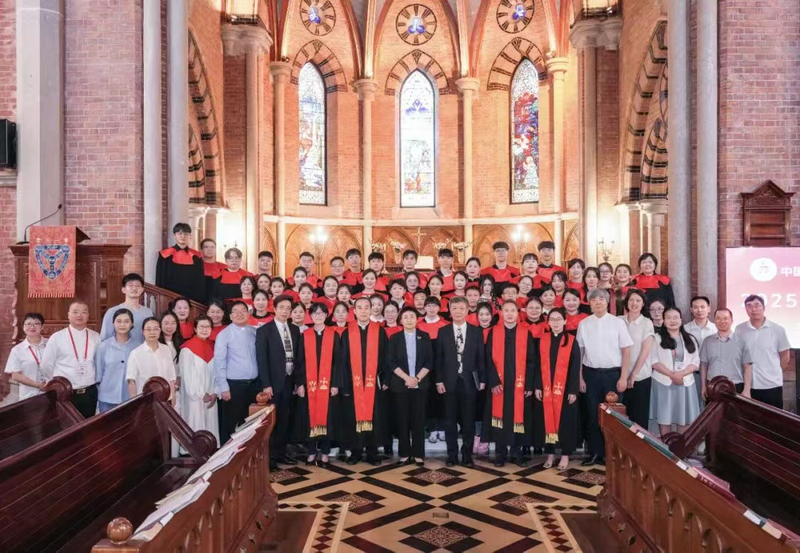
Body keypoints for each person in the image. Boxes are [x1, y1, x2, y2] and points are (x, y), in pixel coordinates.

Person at [576, 289, 632, 466]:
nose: (598, 302)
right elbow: (580, 352)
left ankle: (613, 454)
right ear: (589, 303)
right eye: (593, 299)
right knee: (593, 416)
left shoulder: (618, 323)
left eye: (601, 299)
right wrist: (580, 378)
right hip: (590, 375)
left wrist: (623, 377)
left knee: (613, 417)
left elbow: (626, 351)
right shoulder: (583, 324)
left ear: (607, 302)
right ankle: (595, 453)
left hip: (612, 375)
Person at [436, 296, 485, 468]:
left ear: (467, 311)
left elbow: (481, 359)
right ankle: (452, 454)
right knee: (450, 421)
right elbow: (439, 360)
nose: (457, 312)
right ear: (450, 311)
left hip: (470, 383)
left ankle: (467, 454)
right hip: (449, 382)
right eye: (454, 308)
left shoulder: (476, 331)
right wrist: (439, 381)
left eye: (461, 309)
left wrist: (483, 380)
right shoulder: (443, 332)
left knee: (469, 420)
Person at [339, 297, 389, 465]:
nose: (363, 310)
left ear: (372, 309)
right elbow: (343, 361)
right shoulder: (347, 332)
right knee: (354, 416)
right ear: (354, 311)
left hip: (373, 383)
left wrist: (384, 379)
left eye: (366, 307)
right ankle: (356, 451)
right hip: (354, 384)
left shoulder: (379, 331)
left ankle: (373, 452)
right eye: (359, 307)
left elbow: (385, 358)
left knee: (375, 416)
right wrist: (346, 385)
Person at [256, 295, 304, 468]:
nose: (285, 311)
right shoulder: (264, 330)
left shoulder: (295, 329)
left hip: (290, 381)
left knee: (285, 418)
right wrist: (266, 384)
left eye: (288, 308)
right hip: (273, 384)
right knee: (272, 420)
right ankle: (269, 457)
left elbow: (299, 358)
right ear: (274, 309)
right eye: (282, 307)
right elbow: (261, 359)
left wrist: (299, 382)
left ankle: (281, 453)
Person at [485, 301, 535, 467]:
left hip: (519, 385)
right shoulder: (494, 332)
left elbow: (531, 361)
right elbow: (488, 359)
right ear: (500, 312)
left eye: (512, 310)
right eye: (506, 310)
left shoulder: (525, 333)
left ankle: (516, 451)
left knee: (518, 417)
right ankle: (500, 453)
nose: (509, 313)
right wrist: (493, 380)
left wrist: (528, 384)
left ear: (518, 313)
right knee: (499, 418)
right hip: (499, 384)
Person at [533, 308, 580, 470]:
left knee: (565, 423)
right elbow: (538, 365)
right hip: (546, 389)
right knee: (546, 421)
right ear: (548, 322)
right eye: (552, 319)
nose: (555, 322)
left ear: (565, 321)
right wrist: (538, 385)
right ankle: (550, 454)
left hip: (565, 389)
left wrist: (573, 390)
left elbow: (575, 367)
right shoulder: (543, 339)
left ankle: (565, 456)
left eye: (559, 319)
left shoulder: (572, 341)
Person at [387, 306, 433, 466]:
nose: (408, 319)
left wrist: (417, 379)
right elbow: (391, 362)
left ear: (417, 319)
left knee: (418, 420)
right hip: (401, 384)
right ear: (401, 320)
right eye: (405, 317)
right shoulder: (395, 338)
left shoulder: (425, 337)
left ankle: (419, 453)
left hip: (420, 385)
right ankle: (404, 453)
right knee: (402, 420)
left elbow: (429, 361)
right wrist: (407, 378)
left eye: (412, 316)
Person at [40, 301, 101, 418]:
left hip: (89, 392)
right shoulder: (57, 337)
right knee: (65, 427)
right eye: (75, 312)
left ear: (88, 315)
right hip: (65, 393)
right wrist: (54, 383)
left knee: (88, 428)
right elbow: (46, 364)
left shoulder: (95, 336)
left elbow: (98, 363)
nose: (79, 315)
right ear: (68, 315)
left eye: (83, 312)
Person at [296, 303, 339, 466]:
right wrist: (299, 384)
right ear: (311, 316)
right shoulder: (305, 335)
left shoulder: (333, 335)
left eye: (322, 313)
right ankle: (312, 451)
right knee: (309, 416)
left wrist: (335, 384)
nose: (319, 315)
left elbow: (337, 362)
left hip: (328, 385)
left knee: (328, 417)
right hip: (309, 385)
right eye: (315, 313)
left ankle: (326, 451)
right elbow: (300, 362)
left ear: (327, 315)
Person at [214, 301, 260, 445]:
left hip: (253, 385)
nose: (240, 314)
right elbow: (219, 362)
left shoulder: (254, 331)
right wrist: (223, 387)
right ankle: (227, 458)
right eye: (236, 311)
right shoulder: (224, 334)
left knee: (251, 422)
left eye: (243, 311)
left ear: (248, 314)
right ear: (230, 316)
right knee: (230, 425)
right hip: (233, 386)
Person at [650, 307, 701, 435]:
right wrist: (672, 375)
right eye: (668, 317)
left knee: (682, 418)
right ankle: (666, 450)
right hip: (663, 383)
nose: (672, 320)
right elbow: (653, 361)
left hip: (685, 383)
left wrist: (680, 374)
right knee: (664, 417)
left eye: (675, 317)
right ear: (663, 321)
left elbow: (695, 362)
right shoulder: (656, 338)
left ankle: (679, 451)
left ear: (681, 319)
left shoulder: (690, 339)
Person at [734, 294, 791, 409]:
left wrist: (772, 371)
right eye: (749, 306)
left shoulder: (778, 330)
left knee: (773, 420)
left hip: (771, 384)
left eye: (757, 305)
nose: (753, 309)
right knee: (750, 419)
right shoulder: (740, 329)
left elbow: (785, 356)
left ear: (764, 308)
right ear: (746, 310)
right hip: (748, 385)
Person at [179, 315, 219, 444]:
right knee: (195, 424)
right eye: (201, 326)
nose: (204, 329)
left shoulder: (213, 347)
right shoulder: (187, 349)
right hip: (195, 397)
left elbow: (217, 372)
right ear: (195, 329)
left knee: (210, 425)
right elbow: (187, 375)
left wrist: (214, 392)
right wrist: (201, 394)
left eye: (207, 327)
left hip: (211, 395)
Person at [619, 289, 655, 428]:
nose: (634, 303)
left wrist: (633, 374)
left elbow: (645, 351)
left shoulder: (647, 323)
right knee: (621, 417)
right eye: (631, 300)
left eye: (638, 300)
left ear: (643, 304)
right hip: (620, 375)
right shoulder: (618, 321)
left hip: (640, 376)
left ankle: (639, 448)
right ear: (626, 302)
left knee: (638, 417)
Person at [700, 308, 753, 398]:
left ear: (731, 321)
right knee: (714, 412)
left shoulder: (742, 341)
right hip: (713, 386)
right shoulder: (707, 341)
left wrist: (747, 389)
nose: (722, 321)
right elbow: (703, 365)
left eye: (725, 318)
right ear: (714, 321)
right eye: (719, 318)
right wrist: (703, 387)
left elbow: (747, 367)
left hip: (736, 386)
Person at [95, 308, 139, 412]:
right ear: (113, 323)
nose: (122, 325)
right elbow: (98, 374)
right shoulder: (103, 346)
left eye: (126, 321)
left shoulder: (138, 346)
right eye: (119, 321)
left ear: (132, 324)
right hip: (107, 398)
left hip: (131, 397)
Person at [126, 317, 177, 400]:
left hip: (166, 398)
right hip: (145, 400)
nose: (152, 332)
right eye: (148, 329)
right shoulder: (136, 353)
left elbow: (171, 376)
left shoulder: (166, 349)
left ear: (160, 331)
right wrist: (134, 403)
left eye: (156, 329)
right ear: (143, 332)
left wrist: (173, 397)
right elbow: (131, 381)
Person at [156, 222, 205, 303]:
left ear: (190, 236)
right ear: (174, 235)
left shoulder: (196, 256)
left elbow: (200, 281)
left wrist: (198, 301)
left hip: (192, 299)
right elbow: (160, 279)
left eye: (186, 234)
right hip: (170, 298)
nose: (183, 236)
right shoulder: (165, 255)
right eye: (180, 233)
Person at [5, 313, 49, 400]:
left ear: (42, 326)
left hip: (51, 393)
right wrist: (38, 385)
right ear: (23, 327)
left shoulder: (51, 344)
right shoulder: (17, 350)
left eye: (36, 323)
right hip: (28, 396)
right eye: (28, 324)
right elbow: (15, 375)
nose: (32, 327)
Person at [100, 273, 154, 343]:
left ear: (142, 290)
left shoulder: (148, 312)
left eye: (138, 285)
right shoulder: (112, 311)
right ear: (123, 290)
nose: (134, 288)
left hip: (143, 352)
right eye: (130, 285)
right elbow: (105, 338)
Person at [685, 295, 718, 403]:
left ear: (709, 309)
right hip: (691, 374)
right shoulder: (685, 329)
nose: (699, 310)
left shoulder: (716, 329)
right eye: (695, 307)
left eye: (703, 307)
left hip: (712, 375)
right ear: (691, 310)